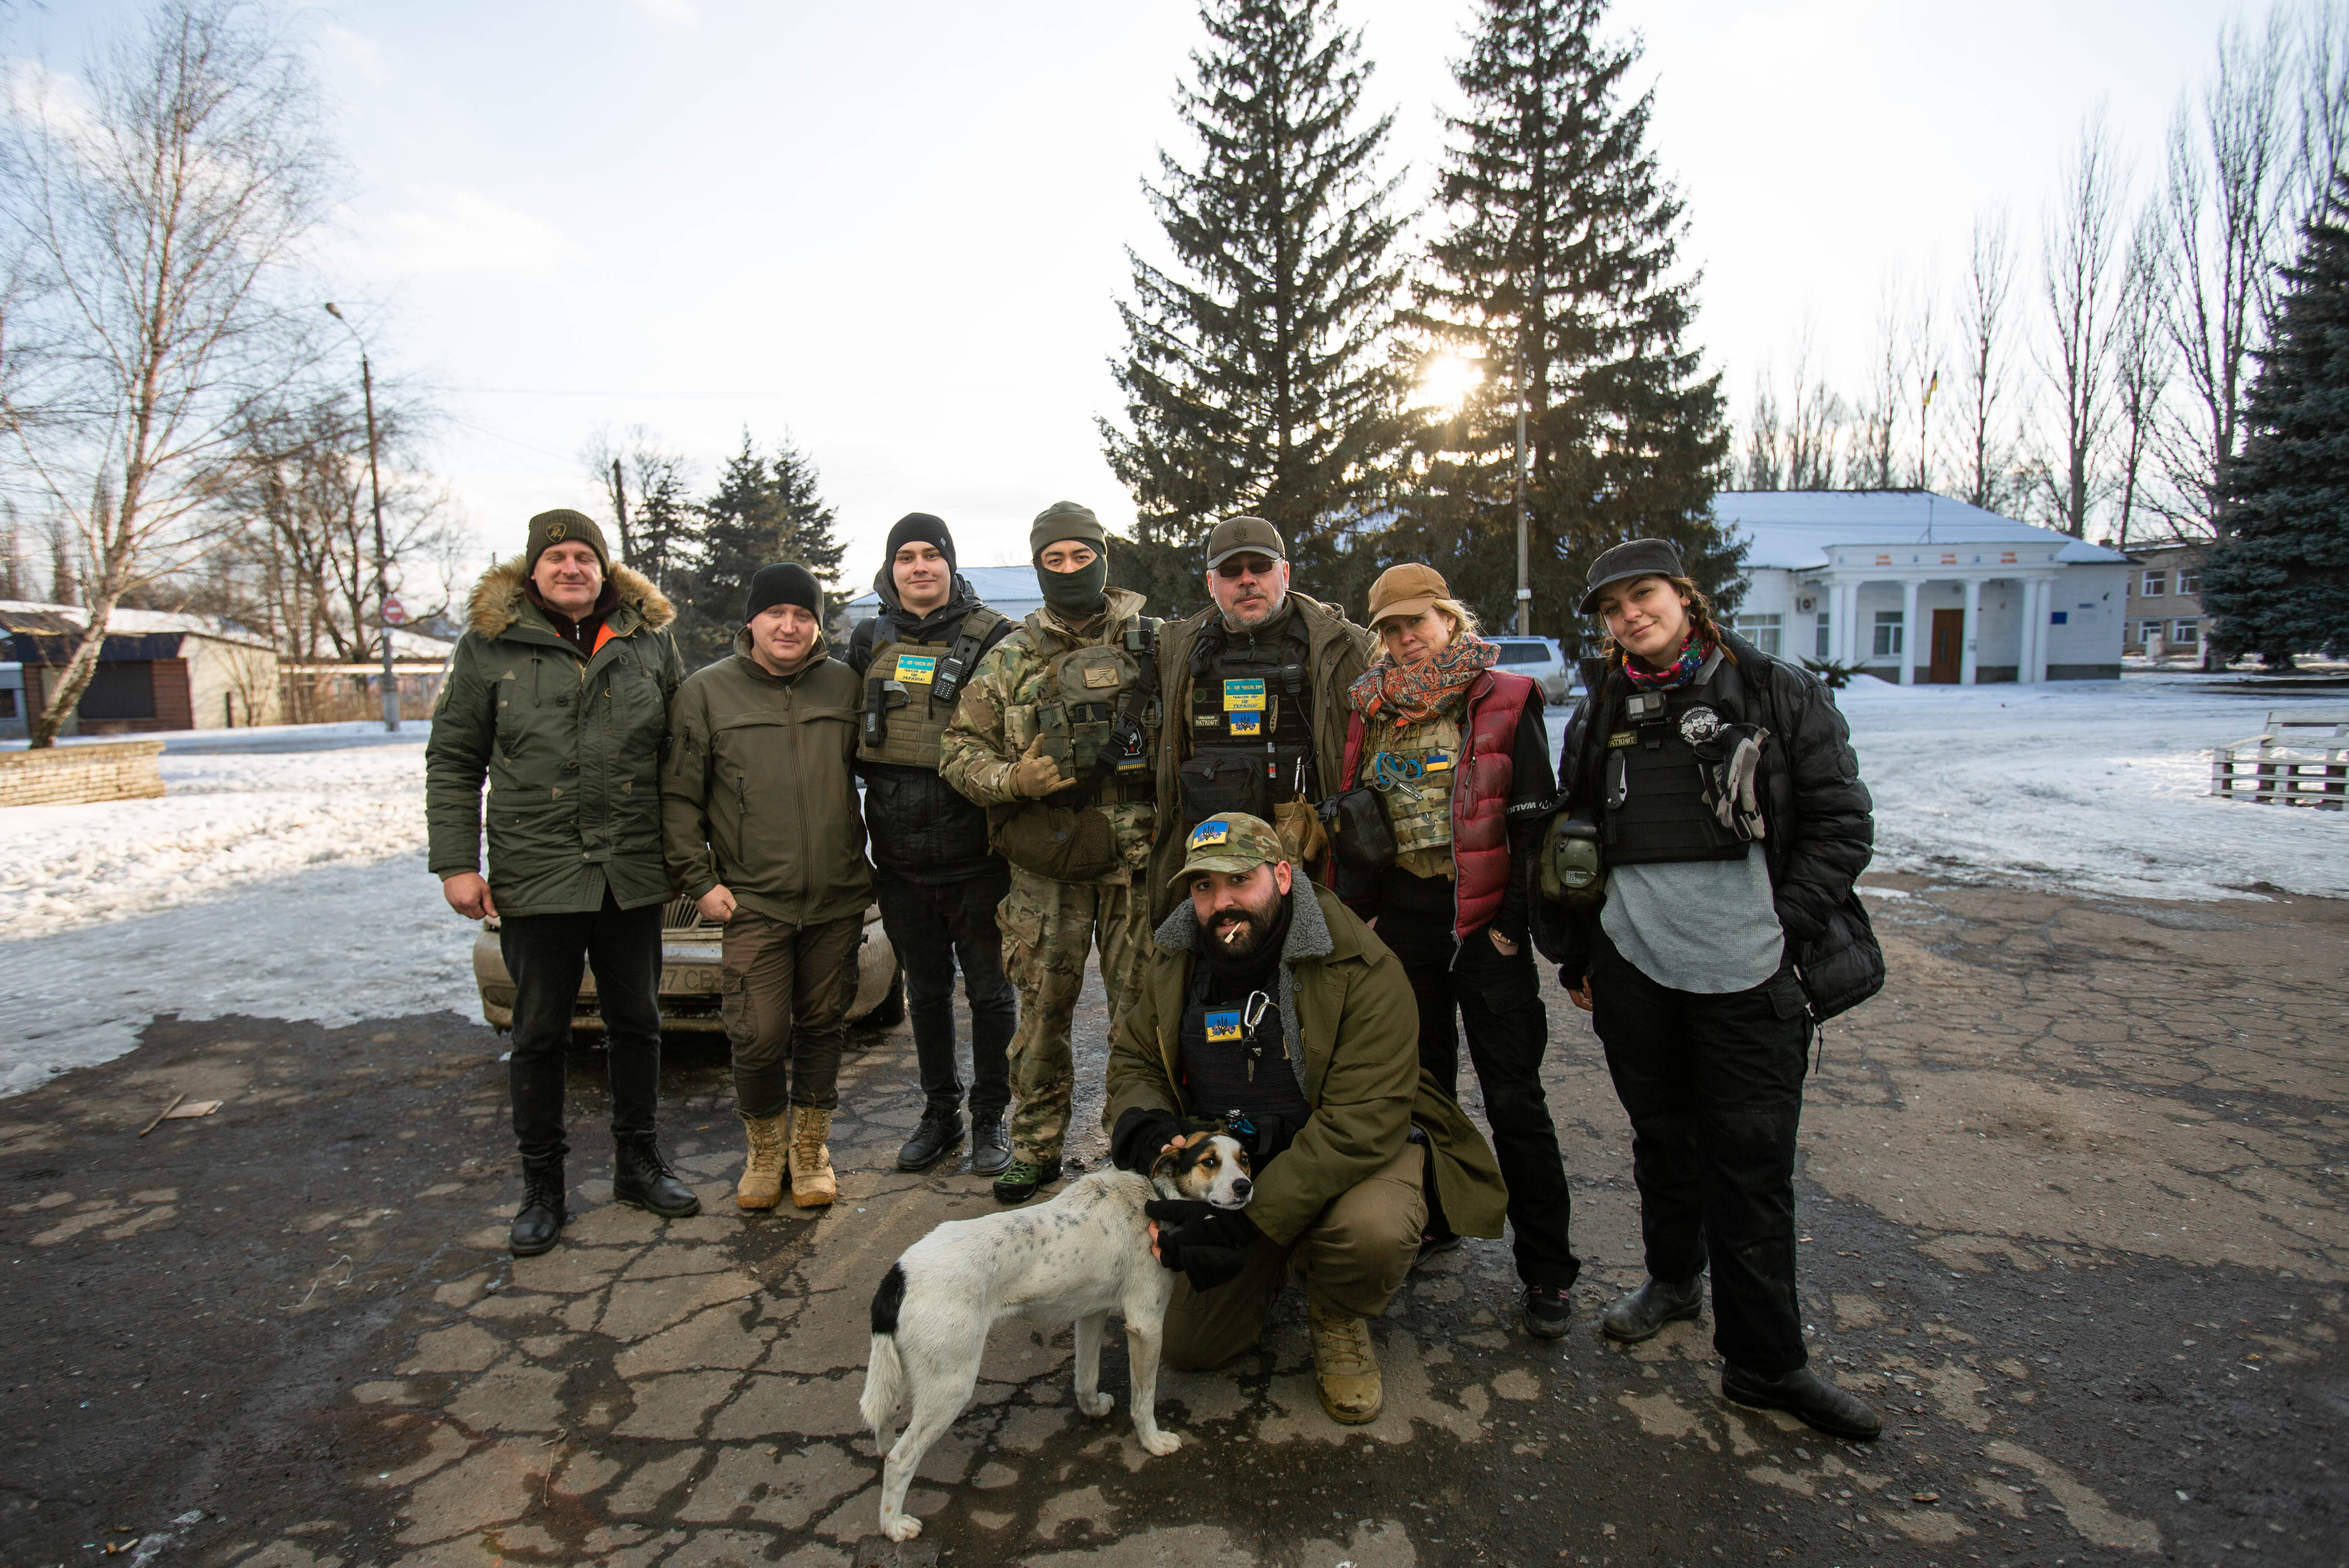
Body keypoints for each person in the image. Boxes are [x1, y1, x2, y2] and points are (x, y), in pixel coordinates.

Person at [1546, 537, 1883, 1440]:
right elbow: (1578, 831)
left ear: (1685, 597)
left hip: (1748, 974)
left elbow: (1843, 824)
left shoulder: (1776, 690)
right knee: (1663, 1140)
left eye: (1643, 595)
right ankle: (1671, 1279)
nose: (1629, 616)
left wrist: (1785, 931)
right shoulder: (1600, 708)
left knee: (1751, 1168)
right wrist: (1582, 955)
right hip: (1635, 970)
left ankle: (1766, 1365)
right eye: (1612, 607)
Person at [1105, 813, 1506, 1426]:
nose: (1222, 902)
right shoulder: (1176, 954)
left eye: (1241, 880)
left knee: (1371, 1232)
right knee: (1189, 1347)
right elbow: (1137, 1055)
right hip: (1236, 1158)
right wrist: (1151, 1126)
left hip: (1346, 1156)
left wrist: (1248, 1224)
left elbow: (1360, 1124)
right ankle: (1277, 1256)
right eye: (1204, 886)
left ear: (1284, 876)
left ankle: (1338, 1308)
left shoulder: (1362, 967)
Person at [427, 508, 700, 1256]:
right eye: (557, 558)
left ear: (605, 567)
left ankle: (638, 1164)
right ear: (534, 569)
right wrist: (456, 862)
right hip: (537, 873)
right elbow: (454, 759)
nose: (572, 568)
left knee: (639, 1024)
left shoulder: (648, 641)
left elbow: (681, 752)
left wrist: (696, 850)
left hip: (632, 871)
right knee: (541, 1034)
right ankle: (541, 1186)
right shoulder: (490, 648)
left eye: (586, 556)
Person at [1328, 562, 1579, 1339]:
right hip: (1403, 918)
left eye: (1418, 623)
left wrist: (1510, 919)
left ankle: (1546, 1269)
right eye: (1392, 629)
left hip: (1482, 924)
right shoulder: (1372, 708)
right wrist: (1362, 911)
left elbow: (1534, 821)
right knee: (1421, 1086)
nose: (1406, 640)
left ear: (1449, 618)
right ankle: (1431, 1220)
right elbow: (1356, 812)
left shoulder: (1504, 698)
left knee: (1513, 1095)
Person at [939, 501, 1161, 1204]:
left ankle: (1132, 1147)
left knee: (1142, 1015)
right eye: (1054, 559)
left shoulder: (1156, 642)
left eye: (1081, 555)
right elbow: (956, 751)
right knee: (1041, 1015)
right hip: (1047, 867)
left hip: (1135, 863)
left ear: (1105, 558)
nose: (1069, 569)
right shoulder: (1010, 654)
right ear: (1038, 566)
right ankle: (1035, 1147)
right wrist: (1014, 780)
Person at [663, 563, 874, 1211]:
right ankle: (764, 1148)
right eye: (777, 613)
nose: (790, 626)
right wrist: (698, 881)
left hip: (835, 896)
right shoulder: (706, 692)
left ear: (817, 625)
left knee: (821, 1026)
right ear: (750, 621)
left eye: (804, 616)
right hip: (752, 899)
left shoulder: (846, 685)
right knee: (755, 1033)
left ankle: (809, 1151)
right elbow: (677, 797)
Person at [846, 513, 1022, 1177]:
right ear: (890, 569)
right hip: (901, 864)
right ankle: (939, 1113)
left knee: (991, 995)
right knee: (924, 993)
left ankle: (989, 1119)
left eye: (931, 555)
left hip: (980, 861)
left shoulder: (996, 638)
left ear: (951, 565)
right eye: (906, 557)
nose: (919, 566)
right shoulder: (868, 639)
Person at [1145, 516, 1374, 912]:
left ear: (1284, 572)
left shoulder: (1348, 648)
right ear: (1211, 583)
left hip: (1316, 861)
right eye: (1232, 571)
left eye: (1261, 567)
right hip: (1210, 862)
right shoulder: (1173, 652)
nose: (1247, 580)